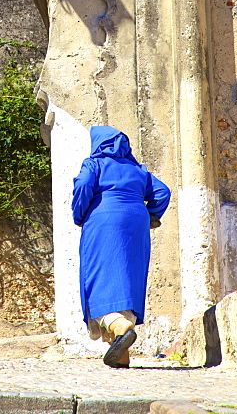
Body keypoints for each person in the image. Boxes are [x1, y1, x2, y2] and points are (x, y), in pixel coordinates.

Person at [71, 125, 171, 368]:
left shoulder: (94, 164)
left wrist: (79, 213)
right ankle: (121, 356)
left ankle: (120, 325)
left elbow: (84, 184)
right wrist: (150, 215)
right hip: (136, 223)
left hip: (104, 221)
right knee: (128, 278)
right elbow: (162, 192)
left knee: (98, 277)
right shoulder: (138, 170)